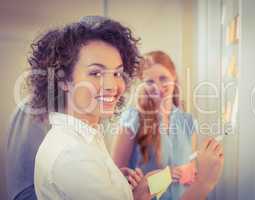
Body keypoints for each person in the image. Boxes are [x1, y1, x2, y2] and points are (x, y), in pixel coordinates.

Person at [29, 15, 223, 200]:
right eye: (96, 73)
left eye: (117, 73)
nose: (112, 86)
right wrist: (204, 183)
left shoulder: (88, 137)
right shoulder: (72, 155)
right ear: (63, 79)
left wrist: (124, 186)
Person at [112, 51, 224, 199]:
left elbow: (190, 175)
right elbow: (115, 182)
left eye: (163, 78)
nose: (157, 87)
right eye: (149, 81)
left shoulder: (188, 121)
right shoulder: (132, 119)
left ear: (174, 76)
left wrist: (198, 171)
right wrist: (166, 176)